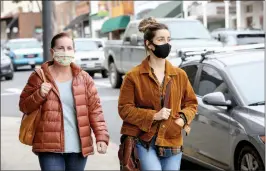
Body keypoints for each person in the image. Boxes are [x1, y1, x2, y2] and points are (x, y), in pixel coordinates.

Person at [19, 32, 109, 171]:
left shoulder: (84, 78)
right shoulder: (39, 77)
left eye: (69, 48)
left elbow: (95, 111)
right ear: (52, 51)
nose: (65, 52)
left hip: (78, 147)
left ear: (74, 51)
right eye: (61, 48)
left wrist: (101, 137)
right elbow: (24, 106)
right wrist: (39, 94)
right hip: (48, 146)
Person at [118, 17, 198, 170]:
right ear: (149, 44)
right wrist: (153, 115)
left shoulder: (179, 74)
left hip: (172, 139)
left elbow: (191, 103)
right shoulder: (133, 76)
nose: (166, 43)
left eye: (168, 39)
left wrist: (182, 118)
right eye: (161, 39)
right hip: (144, 140)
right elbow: (124, 109)